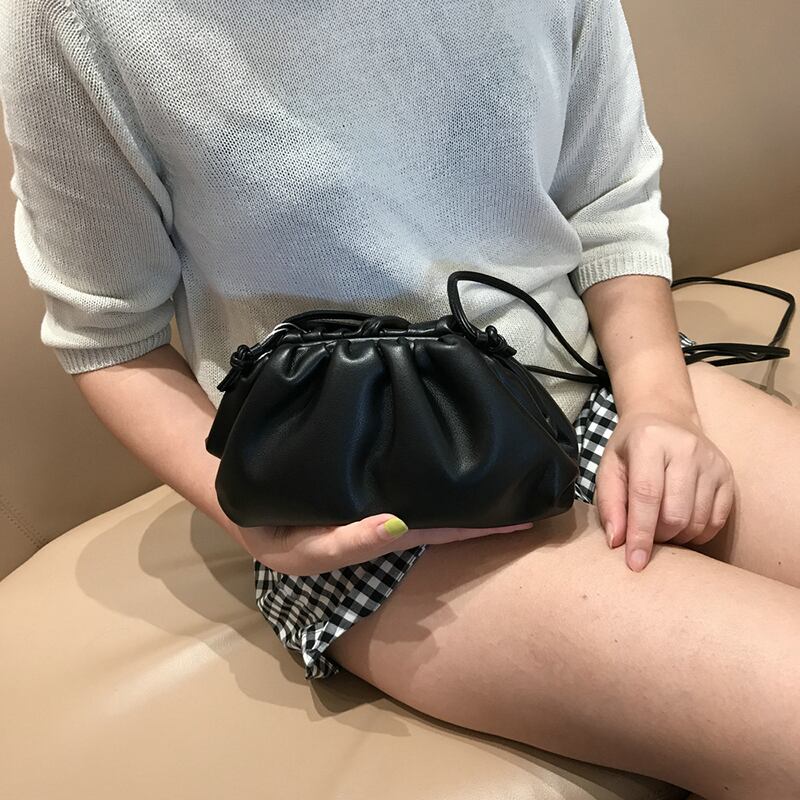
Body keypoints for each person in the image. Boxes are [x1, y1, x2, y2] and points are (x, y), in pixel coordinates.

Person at [1, 0, 798, 797]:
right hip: (367, 510)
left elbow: (606, 195)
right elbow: (109, 336)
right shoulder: (75, 17)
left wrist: (660, 406)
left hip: (595, 378)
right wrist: (254, 519)